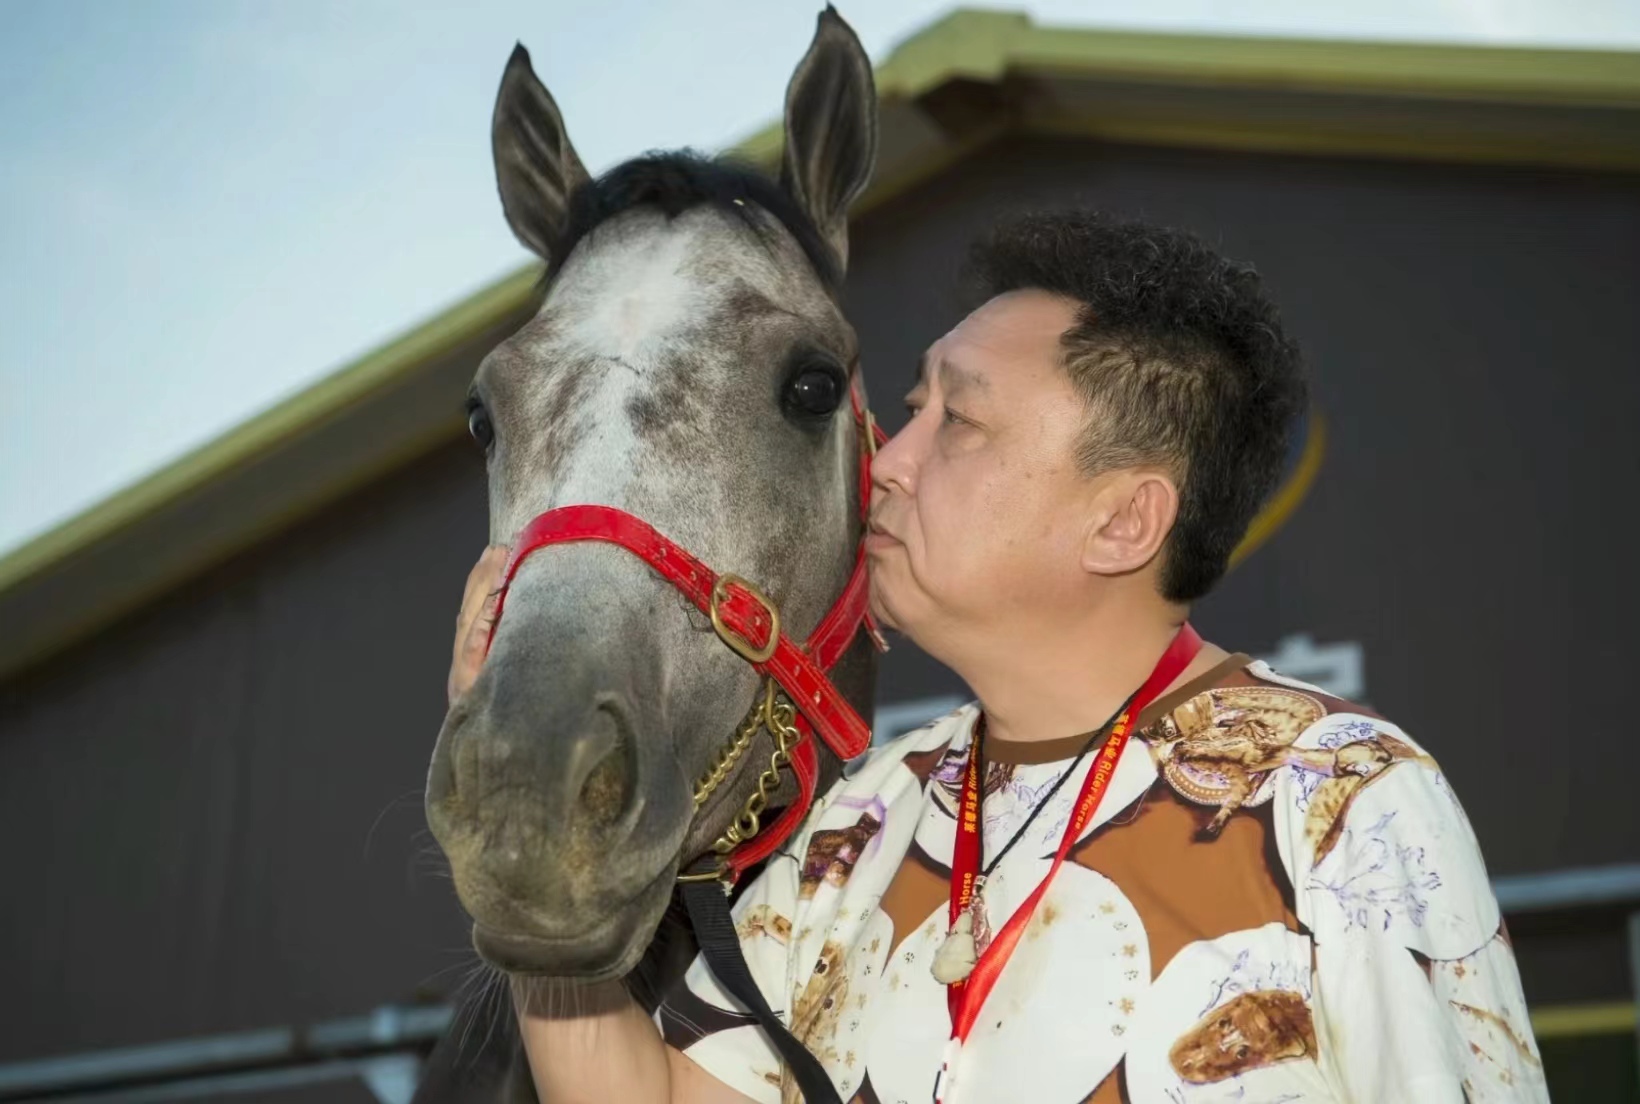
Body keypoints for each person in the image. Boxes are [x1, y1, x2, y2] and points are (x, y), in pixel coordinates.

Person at [447, 211, 1547, 1103]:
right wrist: (540, 864)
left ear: (1122, 523)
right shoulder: (863, 822)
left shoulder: (1344, 800)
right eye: (909, 407)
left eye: (955, 423)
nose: (881, 463)